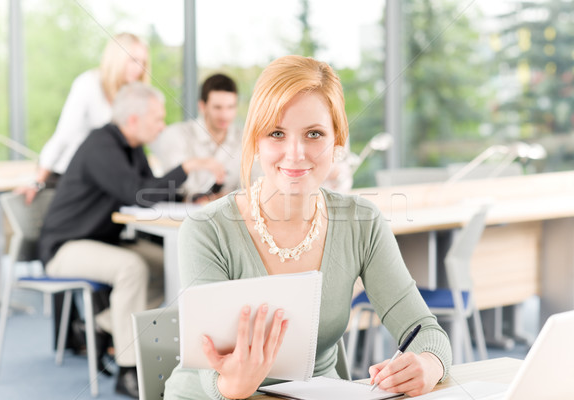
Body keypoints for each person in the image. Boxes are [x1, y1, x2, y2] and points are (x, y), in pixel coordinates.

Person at [164, 55, 452, 400]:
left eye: (314, 134)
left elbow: (425, 330)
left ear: (337, 141)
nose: (296, 153)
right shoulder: (207, 229)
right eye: (276, 133)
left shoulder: (361, 222)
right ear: (256, 141)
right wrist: (233, 384)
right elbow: (210, 376)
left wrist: (428, 363)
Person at [38, 82, 213, 398]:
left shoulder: (132, 148)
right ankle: (128, 369)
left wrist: (195, 195)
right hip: (65, 247)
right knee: (132, 267)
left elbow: (153, 186)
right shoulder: (100, 146)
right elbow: (138, 194)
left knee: (170, 264)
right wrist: (185, 168)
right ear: (134, 119)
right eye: (157, 119)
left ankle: (102, 324)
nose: (162, 126)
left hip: (102, 242)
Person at [19, 32, 150, 204]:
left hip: (105, 182)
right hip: (70, 178)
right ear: (116, 59)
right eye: (133, 60)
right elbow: (63, 136)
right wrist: (38, 181)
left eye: (143, 62)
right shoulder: (88, 84)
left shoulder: (131, 96)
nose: (139, 68)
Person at [149, 73, 243, 203]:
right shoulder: (176, 135)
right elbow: (172, 186)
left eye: (230, 107)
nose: (225, 115)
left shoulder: (245, 140)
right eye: (217, 107)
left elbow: (256, 184)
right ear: (202, 106)